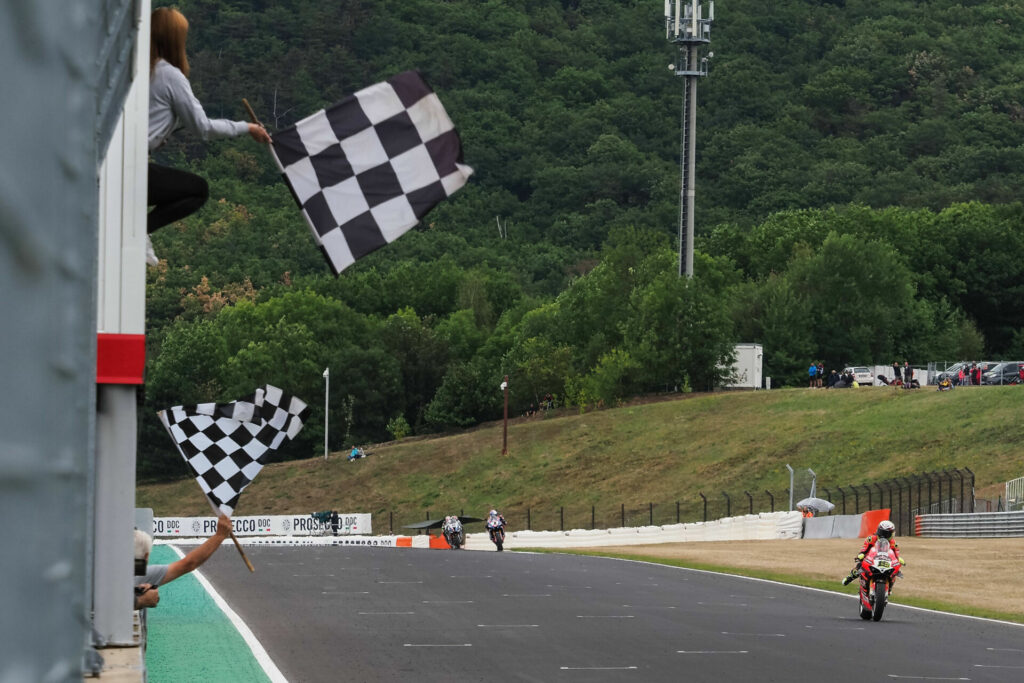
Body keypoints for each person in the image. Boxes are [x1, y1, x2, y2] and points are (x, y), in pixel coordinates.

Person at [146, 7, 271, 262]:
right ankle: (139, 230)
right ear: (174, 40)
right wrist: (247, 128)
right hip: (132, 166)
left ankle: (136, 228)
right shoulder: (170, 75)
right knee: (198, 190)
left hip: (116, 160)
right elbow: (202, 128)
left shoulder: (141, 70)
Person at [134, 514, 233, 607]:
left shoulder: (135, 571)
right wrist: (140, 601)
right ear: (146, 556)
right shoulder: (138, 572)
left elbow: (188, 564)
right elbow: (189, 564)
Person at [842, 520, 903, 585]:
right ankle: (850, 577)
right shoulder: (871, 539)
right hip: (871, 559)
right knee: (860, 565)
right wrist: (861, 554)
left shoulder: (894, 543)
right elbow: (864, 549)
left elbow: (895, 555)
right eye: (882, 532)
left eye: (886, 534)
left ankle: (889, 586)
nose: (884, 535)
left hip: (886, 561)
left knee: (895, 572)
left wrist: (898, 559)